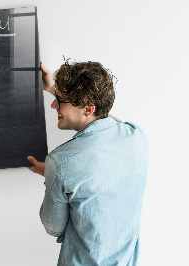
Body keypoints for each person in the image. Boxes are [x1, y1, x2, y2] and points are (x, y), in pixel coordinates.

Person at [27, 60, 148, 265]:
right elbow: (104, 118)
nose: (54, 104)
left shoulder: (60, 162)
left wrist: (52, 176)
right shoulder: (136, 136)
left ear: (88, 108)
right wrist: (53, 89)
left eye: (60, 100)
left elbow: (53, 227)